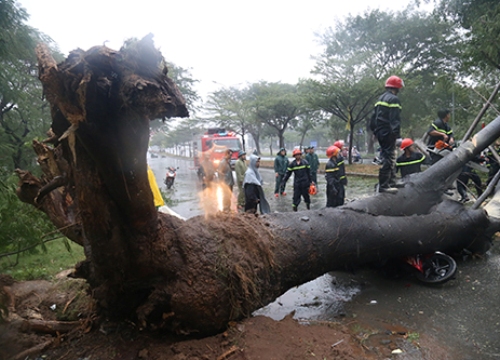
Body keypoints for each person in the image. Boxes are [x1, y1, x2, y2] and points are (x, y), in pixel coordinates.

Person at [369, 75, 404, 193]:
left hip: (380, 131)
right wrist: (396, 134)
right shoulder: (394, 99)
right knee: (389, 158)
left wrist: (375, 131)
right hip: (388, 132)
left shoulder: (381, 99)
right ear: (397, 88)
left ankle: (392, 182)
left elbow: (373, 118)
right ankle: (384, 185)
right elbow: (395, 119)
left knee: (390, 156)